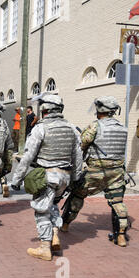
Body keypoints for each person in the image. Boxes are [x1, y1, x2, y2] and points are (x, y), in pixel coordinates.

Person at [11, 95, 83, 261]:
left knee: (41, 210)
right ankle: (55, 234)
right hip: (65, 177)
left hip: (47, 176)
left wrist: (17, 179)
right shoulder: (71, 128)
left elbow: (28, 156)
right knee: (53, 205)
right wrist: (76, 177)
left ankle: (44, 247)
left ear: (45, 111)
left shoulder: (40, 128)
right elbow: (78, 156)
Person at [61, 96, 130, 247]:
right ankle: (122, 236)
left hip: (96, 171)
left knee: (77, 195)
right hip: (117, 172)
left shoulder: (95, 126)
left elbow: (81, 145)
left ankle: (65, 224)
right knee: (118, 202)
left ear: (101, 110)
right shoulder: (123, 127)